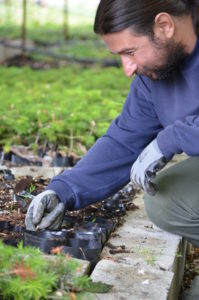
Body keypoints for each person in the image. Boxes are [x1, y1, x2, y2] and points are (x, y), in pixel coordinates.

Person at [26, 0, 199, 247]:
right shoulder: (153, 77)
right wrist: (63, 191)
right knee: (167, 202)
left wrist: (175, 137)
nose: (127, 69)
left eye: (130, 52)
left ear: (164, 25)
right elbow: (124, 141)